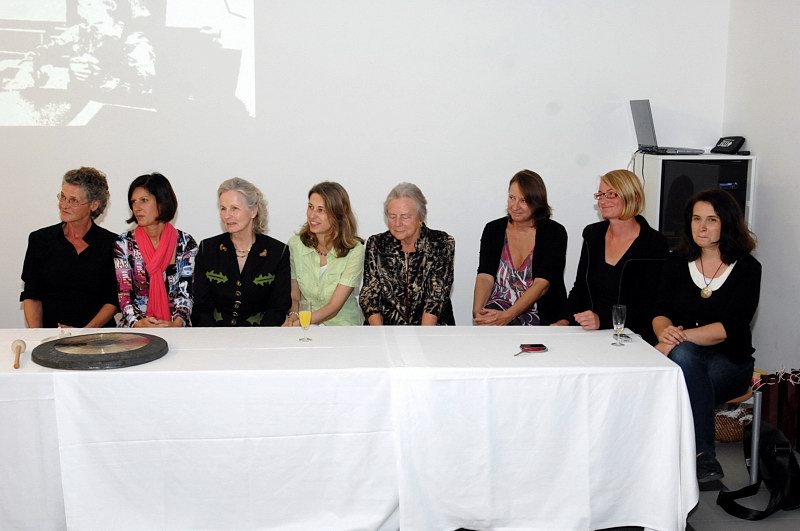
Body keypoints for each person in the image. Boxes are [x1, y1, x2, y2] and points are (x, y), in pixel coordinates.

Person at [652, 189, 760, 483]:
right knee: (685, 363)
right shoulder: (676, 262)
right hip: (683, 358)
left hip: (731, 364)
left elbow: (728, 329)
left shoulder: (748, 268)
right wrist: (664, 332)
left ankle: (697, 455)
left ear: (727, 223)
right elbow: (659, 311)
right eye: (696, 219)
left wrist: (675, 338)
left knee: (681, 368)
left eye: (711, 220)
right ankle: (700, 461)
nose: (701, 227)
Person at [557, 169, 668, 343]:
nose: (602, 201)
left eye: (611, 194)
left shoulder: (653, 243)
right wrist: (563, 320)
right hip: (588, 332)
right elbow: (580, 287)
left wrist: (602, 320)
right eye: (600, 195)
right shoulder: (592, 234)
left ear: (632, 196)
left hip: (633, 336)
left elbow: (649, 305)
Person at [20, 167, 118, 328]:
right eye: (63, 197)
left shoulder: (113, 244)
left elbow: (113, 300)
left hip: (97, 336)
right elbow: (32, 295)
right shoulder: (40, 240)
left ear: (94, 205)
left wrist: (83, 334)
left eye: (73, 200)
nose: (64, 205)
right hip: (51, 336)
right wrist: (37, 336)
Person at [473, 169, 567, 325]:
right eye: (512, 198)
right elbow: (485, 276)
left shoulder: (555, 232)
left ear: (537, 202)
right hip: (498, 307)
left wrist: (508, 316)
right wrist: (478, 312)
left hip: (540, 311)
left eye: (523, 201)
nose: (515, 206)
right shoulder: (493, 229)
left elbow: (542, 284)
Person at [192, 178, 290, 326]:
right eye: (223, 208)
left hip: (261, 335)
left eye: (234, 208)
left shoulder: (278, 252)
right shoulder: (208, 249)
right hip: (214, 334)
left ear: (253, 211)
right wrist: (213, 336)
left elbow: (278, 308)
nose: (227, 215)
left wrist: (258, 336)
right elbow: (201, 307)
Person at [360, 182, 455, 325]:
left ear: (420, 217)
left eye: (405, 217)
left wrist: (423, 337)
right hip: (384, 329)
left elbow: (436, 298)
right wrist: (381, 334)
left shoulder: (441, 243)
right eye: (392, 216)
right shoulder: (376, 243)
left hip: (431, 329)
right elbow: (369, 296)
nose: (397, 223)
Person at [114, 172, 198, 327]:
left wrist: (176, 324)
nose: (137, 207)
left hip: (176, 327)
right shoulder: (124, 243)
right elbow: (124, 295)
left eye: (144, 200)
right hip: (136, 328)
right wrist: (139, 323)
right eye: (133, 202)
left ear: (162, 201)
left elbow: (186, 293)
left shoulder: (186, 242)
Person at [284, 182, 364, 327]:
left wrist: (300, 323)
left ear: (338, 215)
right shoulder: (295, 245)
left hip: (343, 328)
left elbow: (333, 307)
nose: (312, 215)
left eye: (321, 210)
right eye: (310, 207)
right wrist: (294, 316)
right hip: (304, 327)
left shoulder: (355, 250)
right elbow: (294, 296)